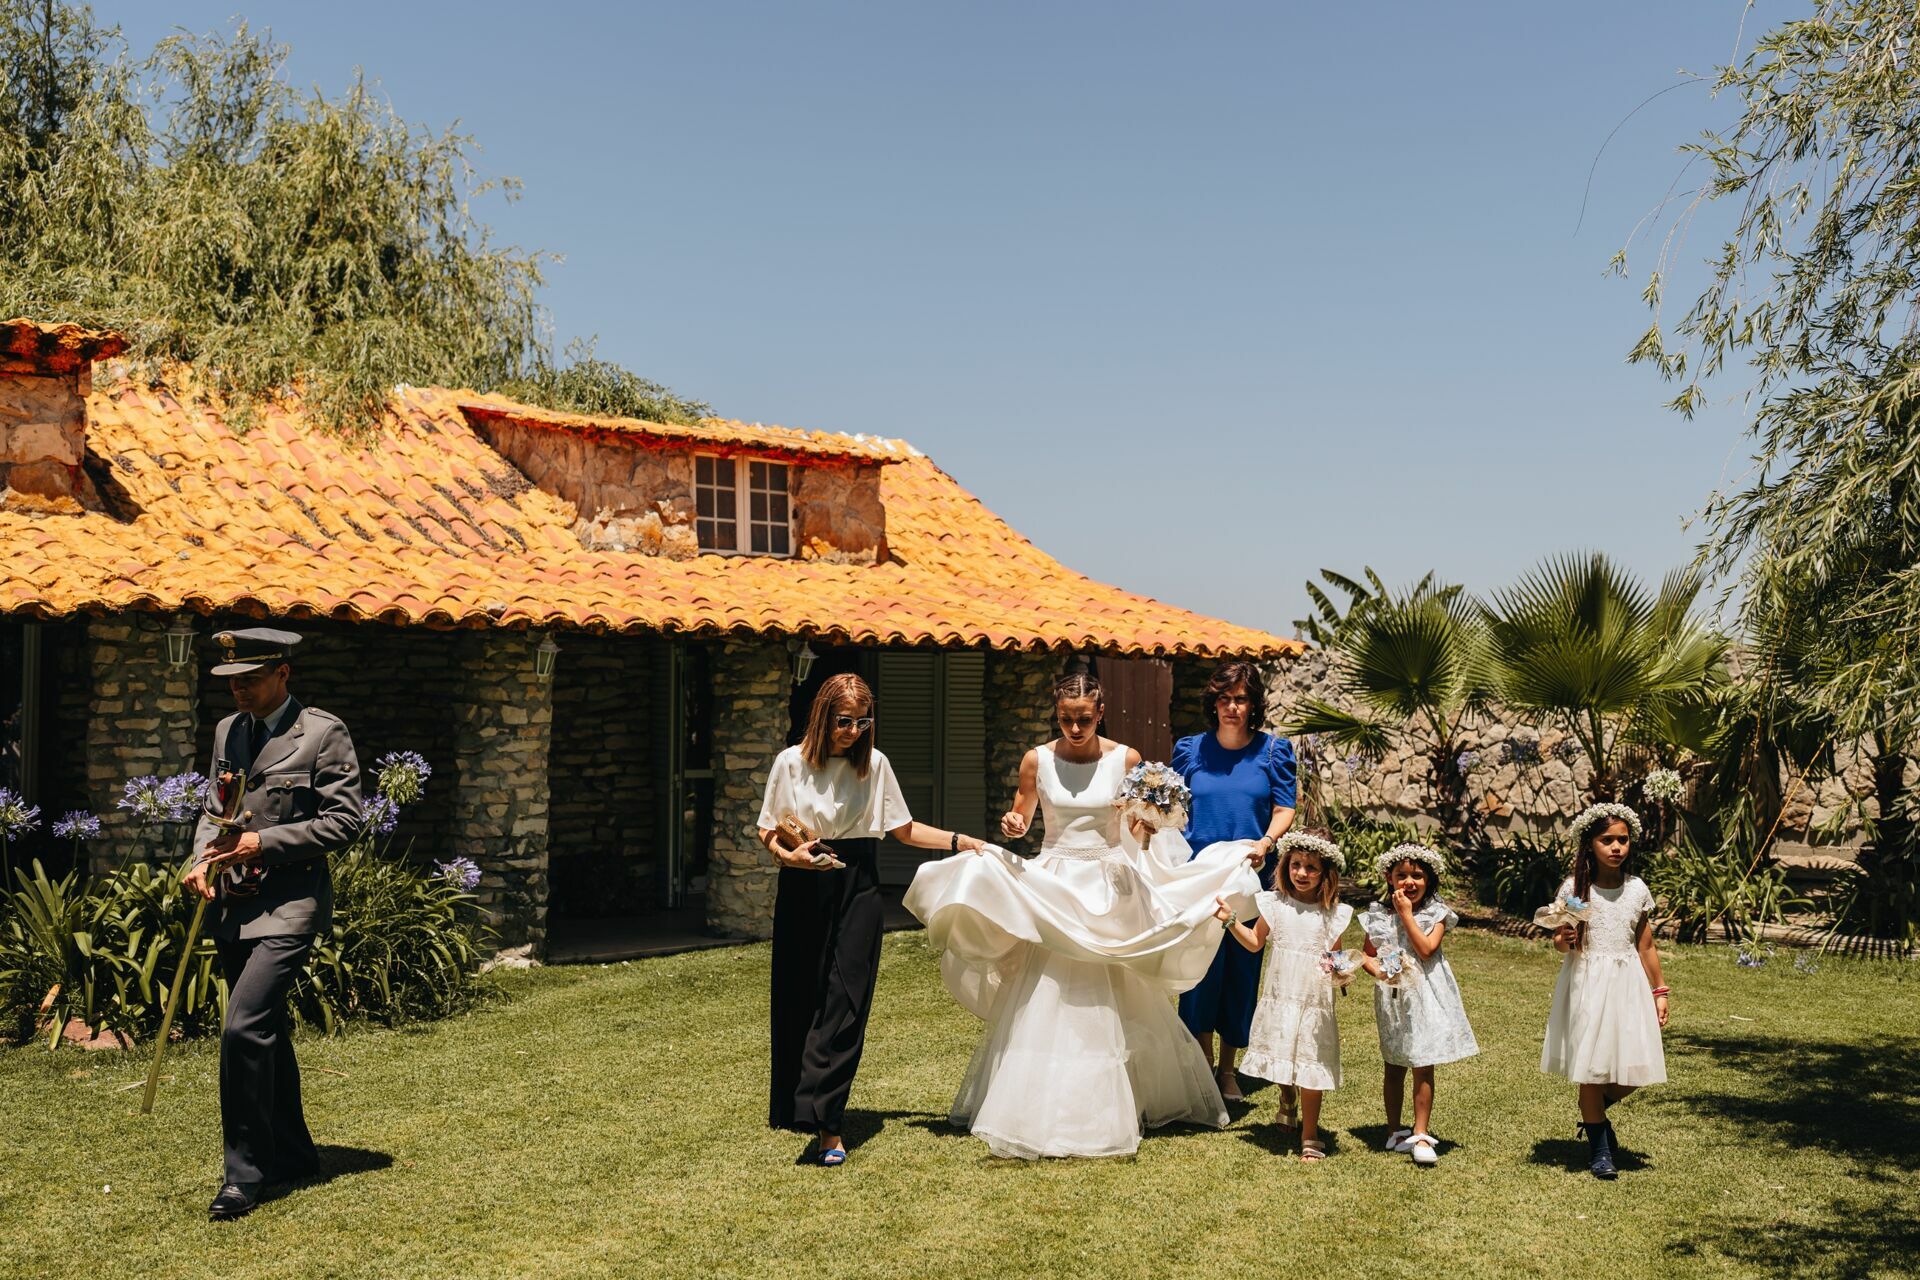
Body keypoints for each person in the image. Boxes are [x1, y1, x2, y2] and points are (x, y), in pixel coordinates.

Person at [904, 673, 1262, 1159]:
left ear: (1100, 713)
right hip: (1056, 881)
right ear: (1057, 714)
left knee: (1117, 989)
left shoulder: (1126, 759)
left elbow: (1136, 827)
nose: (1075, 728)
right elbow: (1021, 815)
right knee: (1051, 988)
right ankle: (1042, 1104)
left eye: (1085, 719)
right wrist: (1014, 823)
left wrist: (1148, 826)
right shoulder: (1037, 760)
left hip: (1109, 883)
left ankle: (1125, 1096)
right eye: (1066, 719)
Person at [757, 673, 986, 1167]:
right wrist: (788, 857)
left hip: (858, 883)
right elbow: (768, 829)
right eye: (845, 721)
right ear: (823, 715)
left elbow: (904, 829)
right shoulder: (790, 762)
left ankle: (828, 1125)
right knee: (800, 993)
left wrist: (960, 840)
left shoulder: (875, 764)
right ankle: (796, 1105)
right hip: (803, 883)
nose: (854, 732)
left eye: (863, 722)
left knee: (847, 997)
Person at [184, 627, 364, 1222]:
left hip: (291, 905)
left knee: (242, 1027)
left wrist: (262, 842)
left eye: (251, 679)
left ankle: (244, 1175)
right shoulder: (228, 731)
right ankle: (293, 1153)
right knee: (266, 1031)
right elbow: (216, 809)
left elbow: (344, 822)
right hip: (234, 904)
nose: (238, 690)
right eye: (231, 680)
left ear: (283, 674)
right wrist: (199, 860)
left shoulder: (322, 733)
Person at [1173, 660, 1297, 1102]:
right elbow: (1173, 808)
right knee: (1199, 968)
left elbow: (1284, 808)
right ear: (1213, 703)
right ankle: (1201, 1062)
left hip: (1251, 876)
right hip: (1199, 876)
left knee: (1242, 970)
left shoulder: (1273, 751)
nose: (1231, 707)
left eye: (1240, 699)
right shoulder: (1189, 750)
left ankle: (1229, 1070)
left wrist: (1266, 842)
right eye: (1224, 699)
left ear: (1253, 704)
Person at [1542, 802, 1669, 1179]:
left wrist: (1660, 990)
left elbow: (1646, 944)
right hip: (1588, 982)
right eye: (1607, 840)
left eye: (1623, 840)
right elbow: (1561, 941)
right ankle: (1600, 1150)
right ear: (1590, 845)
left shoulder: (1636, 889)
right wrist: (1562, 939)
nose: (1616, 847)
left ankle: (1593, 1110)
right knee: (1593, 1069)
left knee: (1635, 1068)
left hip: (1627, 982)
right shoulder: (1576, 889)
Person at [1217, 829, 1354, 1161]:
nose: (1302, 873)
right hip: (1282, 994)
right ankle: (1287, 1098)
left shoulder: (1332, 913)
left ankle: (1310, 1135)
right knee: (1283, 1054)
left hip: (1314, 1001)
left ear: (1325, 873)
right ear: (1285, 865)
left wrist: (1341, 971)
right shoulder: (1275, 905)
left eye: (1311, 868)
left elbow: (1335, 958)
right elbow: (1255, 943)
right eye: (1296, 865)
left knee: (1310, 1062)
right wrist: (1231, 920)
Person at [1359, 843, 1479, 1166]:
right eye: (1402, 875)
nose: (1409, 882)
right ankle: (1394, 1130)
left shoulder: (1436, 913)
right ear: (1389, 878)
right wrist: (1379, 971)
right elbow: (1368, 954)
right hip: (1393, 996)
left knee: (1423, 1062)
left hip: (1426, 994)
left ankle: (1421, 1132)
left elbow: (1426, 949)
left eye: (1417, 876)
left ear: (1429, 879)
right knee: (1394, 1062)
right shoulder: (1378, 914)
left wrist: (1406, 915)